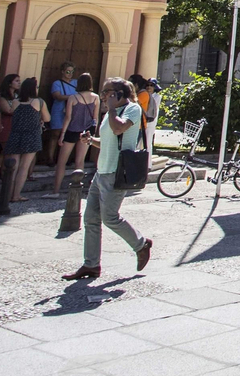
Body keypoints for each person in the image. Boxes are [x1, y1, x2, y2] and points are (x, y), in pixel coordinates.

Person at [62, 78, 151, 280]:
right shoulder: (110, 114)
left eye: (107, 92)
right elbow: (110, 141)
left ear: (119, 94)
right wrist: (91, 140)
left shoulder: (132, 109)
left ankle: (141, 244)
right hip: (102, 171)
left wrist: (111, 110)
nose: (103, 96)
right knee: (91, 219)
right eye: (103, 92)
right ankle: (91, 264)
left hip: (117, 172)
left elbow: (119, 129)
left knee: (110, 218)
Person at [51, 73, 99, 193]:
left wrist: (62, 134)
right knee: (80, 161)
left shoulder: (73, 98)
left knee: (61, 161)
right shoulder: (95, 97)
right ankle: (77, 189)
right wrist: (94, 133)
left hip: (72, 130)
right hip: (87, 131)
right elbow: (95, 118)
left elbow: (68, 117)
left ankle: (56, 190)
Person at [4, 77, 48, 202]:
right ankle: (16, 195)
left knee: (13, 167)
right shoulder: (39, 102)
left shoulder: (16, 101)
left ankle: (7, 195)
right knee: (24, 167)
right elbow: (48, 118)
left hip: (16, 135)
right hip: (32, 135)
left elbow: (12, 112)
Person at [42, 63, 77, 166]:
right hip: (59, 111)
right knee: (55, 134)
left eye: (72, 72)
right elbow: (57, 96)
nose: (70, 74)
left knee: (68, 135)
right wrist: (72, 97)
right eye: (67, 71)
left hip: (71, 111)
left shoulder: (76, 83)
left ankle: (65, 158)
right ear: (62, 71)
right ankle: (50, 158)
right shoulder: (57, 83)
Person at [130, 74, 161, 157]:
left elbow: (134, 103)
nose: (149, 87)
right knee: (139, 146)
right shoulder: (143, 93)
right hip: (141, 124)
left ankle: (147, 164)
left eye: (151, 85)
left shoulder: (146, 95)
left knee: (146, 144)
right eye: (147, 85)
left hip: (144, 124)